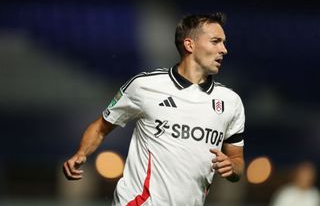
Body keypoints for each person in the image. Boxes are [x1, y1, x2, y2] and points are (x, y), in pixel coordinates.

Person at [63, 12, 246, 206]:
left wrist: (233, 167)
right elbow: (101, 127)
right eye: (216, 41)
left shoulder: (230, 102)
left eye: (224, 42)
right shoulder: (144, 86)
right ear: (189, 44)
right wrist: (81, 153)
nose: (224, 49)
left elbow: (237, 160)